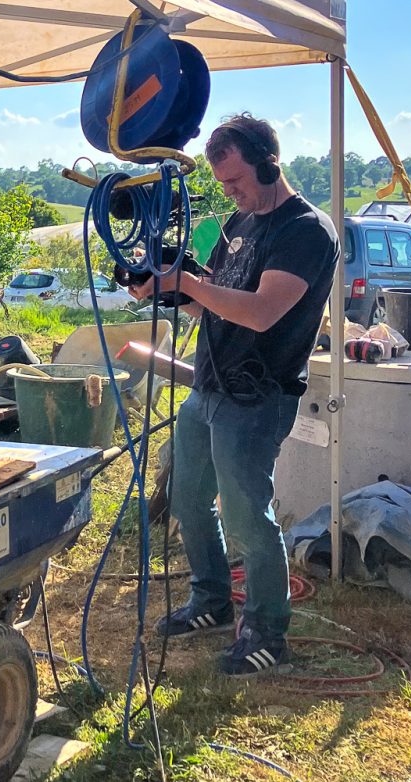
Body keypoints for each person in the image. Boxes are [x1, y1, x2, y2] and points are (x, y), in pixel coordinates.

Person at [128, 113, 338, 676]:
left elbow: (262, 313)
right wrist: (168, 291)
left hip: (257, 395)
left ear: (270, 163)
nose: (232, 193)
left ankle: (269, 632)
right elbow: (214, 305)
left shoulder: (306, 231)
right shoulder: (237, 224)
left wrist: (189, 283)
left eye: (238, 180)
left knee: (246, 515)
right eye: (223, 184)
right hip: (209, 382)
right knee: (190, 500)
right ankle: (212, 601)